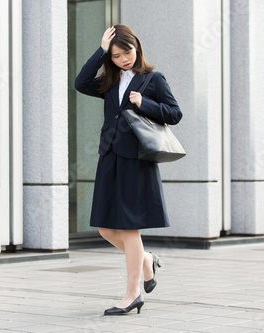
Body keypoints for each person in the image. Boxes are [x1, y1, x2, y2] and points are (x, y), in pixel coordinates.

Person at [74, 24, 182, 315]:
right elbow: (80, 83)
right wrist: (100, 50)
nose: (124, 59)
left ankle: (133, 293)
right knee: (106, 228)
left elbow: (175, 113)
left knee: (129, 226)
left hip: (136, 158)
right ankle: (146, 260)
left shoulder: (152, 79)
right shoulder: (109, 81)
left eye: (128, 52)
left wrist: (144, 103)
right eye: (117, 55)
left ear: (137, 47)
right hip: (109, 155)